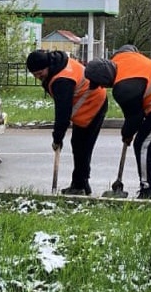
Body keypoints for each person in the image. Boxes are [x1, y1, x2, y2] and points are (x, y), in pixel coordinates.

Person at [84, 45, 151, 199]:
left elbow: (135, 118)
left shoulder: (123, 88)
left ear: (106, 79)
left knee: (143, 145)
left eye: (100, 84)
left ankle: (147, 191)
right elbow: (130, 47)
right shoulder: (120, 56)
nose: (101, 87)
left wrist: (126, 134)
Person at [26, 49, 108, 196]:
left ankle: (79, 186)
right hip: (89, 101)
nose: (38, 77)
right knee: (79, 145)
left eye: (40, 74)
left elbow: (62, 114)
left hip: (93, 104)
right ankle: (81, 184)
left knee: (82, 146)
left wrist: (57, 138)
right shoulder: (57, 63)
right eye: (35, 75)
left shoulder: (61, 80)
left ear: (48, 66)